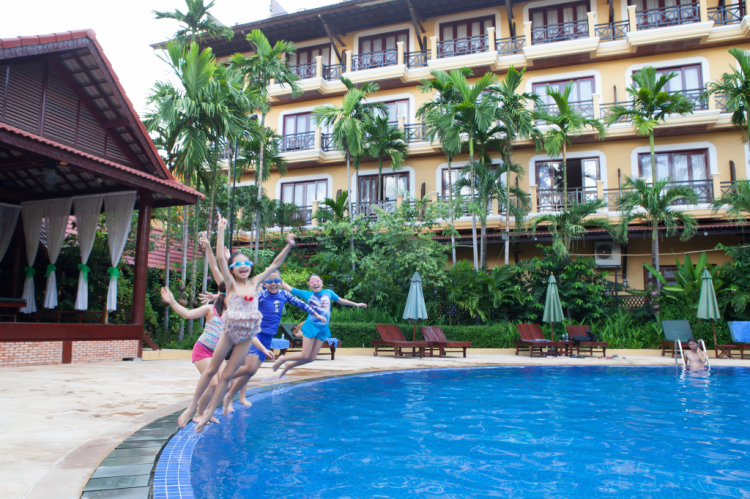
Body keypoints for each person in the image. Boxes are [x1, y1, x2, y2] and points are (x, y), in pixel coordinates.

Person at [178, 216, 293, 432]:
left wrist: (289, 245)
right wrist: (221, 228)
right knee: (212, 369)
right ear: (231, 269)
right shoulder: (230, 285)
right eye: (238, 264)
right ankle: (191, 408)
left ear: (251, 267)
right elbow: (220, 258)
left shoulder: (256, 282)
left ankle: (209, 413)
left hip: (247, 336)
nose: (243, 266)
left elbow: (275, 264)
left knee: (228, 375)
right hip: (230, 333)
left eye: (246, 263)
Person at [221, 270, 327, 414]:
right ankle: (222, 379)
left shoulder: (284, 294)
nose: (273, 284)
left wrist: (316, 314)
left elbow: (302, 304)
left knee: (251, 371)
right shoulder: (260, 296)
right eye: (269, 281)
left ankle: (228, 393)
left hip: (268, 338)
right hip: (255, 335)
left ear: (281, 283)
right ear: (264, 283)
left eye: (277, 281)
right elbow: (242, 300)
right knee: (248, 368)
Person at [272, 274, 366, 378]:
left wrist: (356, 304)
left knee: (311, 358)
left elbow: (341, 300)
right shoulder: (308, 294)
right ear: (309, 285)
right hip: (311, 326)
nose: (315, 283)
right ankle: (282, 359)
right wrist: (277, 279)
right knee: (304, 355)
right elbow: (290, 289)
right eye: (312, 282)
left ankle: (289, 366)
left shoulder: (328, 293)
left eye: (317, 281)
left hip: (323, 328)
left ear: (321, 282)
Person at [161, 284, 228, 425]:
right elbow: (187, 314)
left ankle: (207, 412)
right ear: (222, 295)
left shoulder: (234, 315)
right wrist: (172, 301)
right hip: (203, 350)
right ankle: (198, 414)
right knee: (212, 384)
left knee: (225, 383)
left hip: (218, 353)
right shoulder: (211, 309)